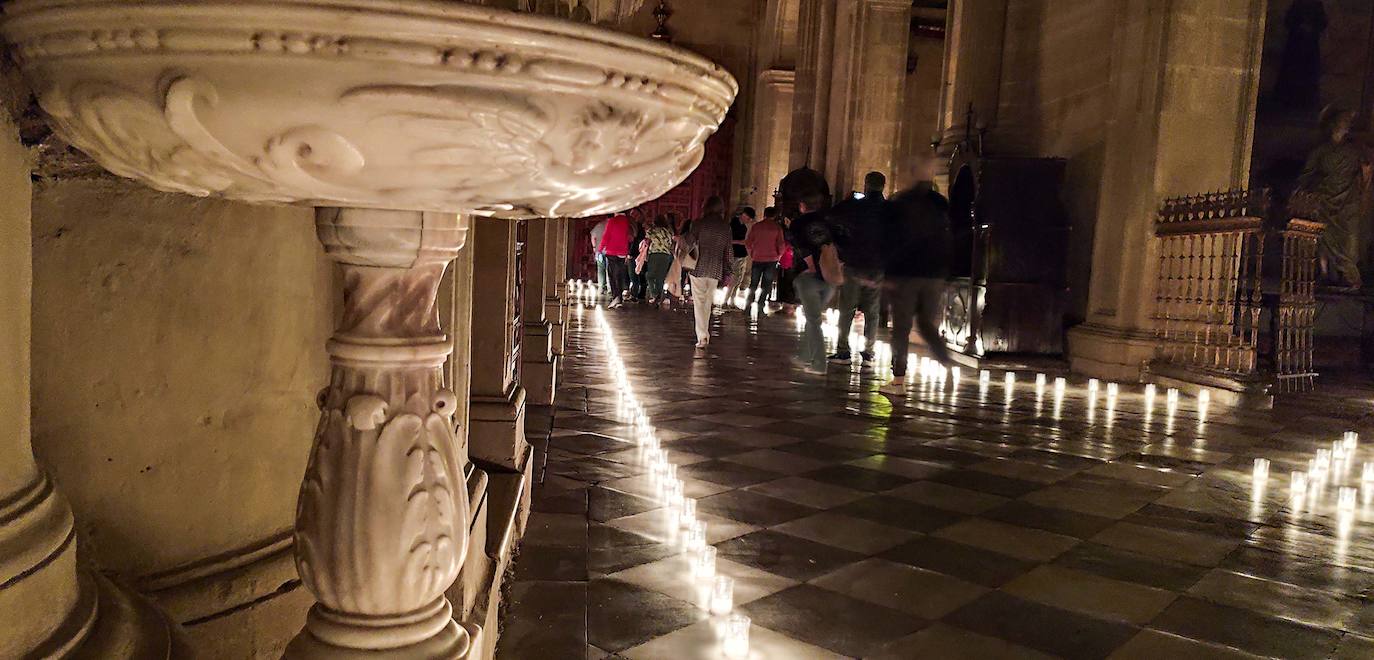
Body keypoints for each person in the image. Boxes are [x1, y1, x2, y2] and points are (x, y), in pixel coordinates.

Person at [880, 155, 954, 395]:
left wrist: (888, 273)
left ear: (911, 173)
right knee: (927, 324)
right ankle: (946, 363)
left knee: (900, 328)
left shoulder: (899, 203)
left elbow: (889, 240)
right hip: (934, 275)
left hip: (906, 274)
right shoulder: (941, 203)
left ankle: (898, 381)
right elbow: (949, 237)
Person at [1297, 106, 1368, 289]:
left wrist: (1364, 187)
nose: (1346, 126)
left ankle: (1350, 277)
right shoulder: (1321, 151)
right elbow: (1307, 174)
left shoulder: (1354, 150)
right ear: (1333, 125)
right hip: (1325, 200)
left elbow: (1365, 170)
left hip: (1348, 201)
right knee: (1325, 236)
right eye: (1343, 122)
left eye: (1348, 123)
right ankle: (1325, 273)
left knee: (1350, 240)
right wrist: (1304, 191)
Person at [829, 171, 890, 365]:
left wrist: (842, 247)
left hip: (855, 263)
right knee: (872, 311)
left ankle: (843, 351)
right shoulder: (890, 210)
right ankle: (868, 353)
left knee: (847, 308)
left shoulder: (854, 206)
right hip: (877, 266)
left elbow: (831, 218)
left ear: (866, 185)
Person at [790, 191, 838, 375]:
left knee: (813, 320)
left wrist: (810, 266)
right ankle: (804, 355)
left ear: (802, 205)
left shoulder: (799, 223)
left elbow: (801, 246)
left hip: (810, 277)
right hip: (830, 276)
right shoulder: (829, 221)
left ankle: (819, 364)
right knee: (813, 317)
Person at [687, 196, 734, 358]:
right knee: (707, 302)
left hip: (698, 267)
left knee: (699, 303)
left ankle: (702, 336)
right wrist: (729, 272)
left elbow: (688, 242)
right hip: (715, 269)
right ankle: (704, 332)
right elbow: (728, 252)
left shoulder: (699, 224)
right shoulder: (725, 227)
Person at [743, 206, 787, 315]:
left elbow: (748, 242)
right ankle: (760, 306)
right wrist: (779, 256)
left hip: (757, 258)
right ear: (775, 216)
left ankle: (748, 306)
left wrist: (752, 254)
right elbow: (781, 245)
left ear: (764, 214)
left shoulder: (756, 227)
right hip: (771, 259)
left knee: (753, 284)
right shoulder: (777, 228)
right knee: (766, 285)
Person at [722, 207, 756, 309]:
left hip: (742, 255)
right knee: (734, 279)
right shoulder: (732, 225)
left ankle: (732, 301)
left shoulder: (743, 227)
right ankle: (725, 301)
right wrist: (740, 242)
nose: (749, 221)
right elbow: (727, 240)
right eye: (749, 218)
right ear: (744, 215)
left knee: (739, 279)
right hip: (734, 254)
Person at [597, 213, 633, 307]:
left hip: (612, 251)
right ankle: (619, 298)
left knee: (612, 275)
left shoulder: (612, 221)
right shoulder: (627, 221)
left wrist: (600, 250)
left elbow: (606, 236)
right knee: (620, 275)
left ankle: (615, 297)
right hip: (623, 251)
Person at [643, 214, 676, 305]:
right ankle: (659, 297)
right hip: (666, 255)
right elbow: (671, 244)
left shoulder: (652, 231)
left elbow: (647, 241)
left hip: (654, 254)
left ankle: (654, 294)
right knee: (660, 277)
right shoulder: (669, 231)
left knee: (650, 275)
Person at [590, 217, 609, 294]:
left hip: (599, 251)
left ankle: (601, 286)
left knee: (601, 269)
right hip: (609, 251)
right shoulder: (612, 225)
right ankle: (610, 288)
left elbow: (593, 237)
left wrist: (594, 247)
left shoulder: (599, 225)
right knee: (609, 269)